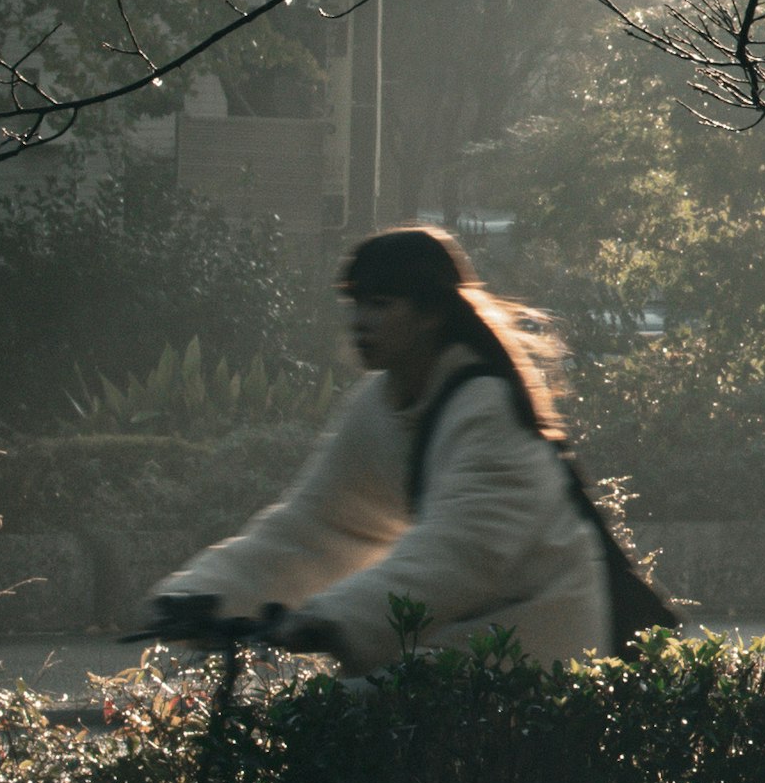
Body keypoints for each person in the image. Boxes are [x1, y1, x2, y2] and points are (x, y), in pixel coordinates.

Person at [147, 227, 611, 670]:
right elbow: (317, 524)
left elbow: (459, 552)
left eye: (380, 305)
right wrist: (199, 594)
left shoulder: (487, 407)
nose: (359, 323)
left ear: (431, 314)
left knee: (340, 720)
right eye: (355, 304)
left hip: (537, 636)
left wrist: (334, 617)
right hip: (459, 632)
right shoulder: (378, 404)